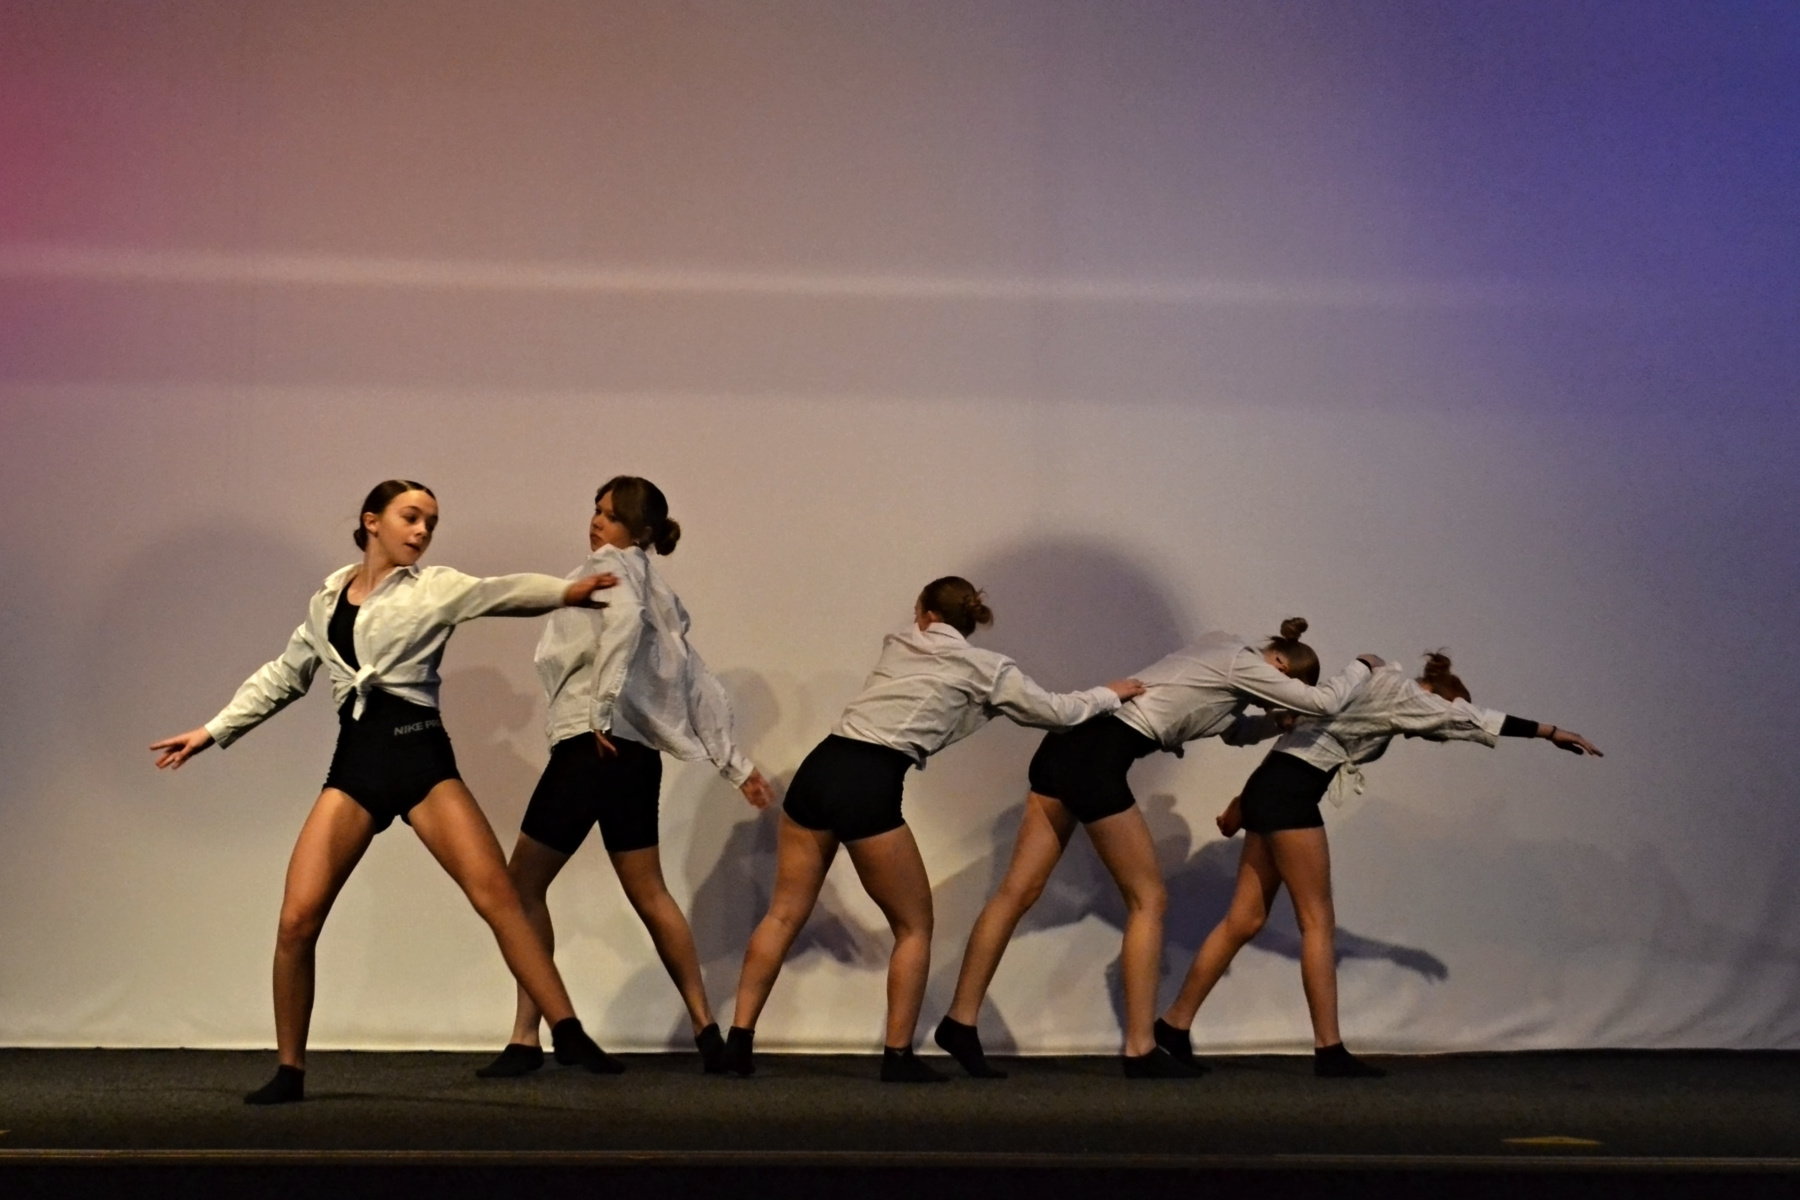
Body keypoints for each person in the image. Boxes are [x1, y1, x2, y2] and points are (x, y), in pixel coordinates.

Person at [150, 479, 624, 1104]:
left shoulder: (433, 588)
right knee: (296, 921)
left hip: (420, 757)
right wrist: (212, 731)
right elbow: (284, 675)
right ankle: (289, 1070)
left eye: (430, 522)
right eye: (411, 517)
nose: (422, 531)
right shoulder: (327, 600)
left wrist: (565, 592)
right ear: (372, 521)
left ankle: (566, 1030)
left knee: (498, 897)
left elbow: (498, 592)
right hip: (358, 765)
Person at [723, 577, 1143, 1082]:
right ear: (970, 621)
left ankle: (737, 1043)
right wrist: (1110, 694)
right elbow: (1058, 713)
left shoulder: (900, 641)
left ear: (922, 611)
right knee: (914, 926)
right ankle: (898, 1057)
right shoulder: (985, 668)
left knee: (783, 914)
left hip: (821, 767)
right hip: (870, 780)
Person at [938, 619, 1380, 1079]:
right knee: (1149, 901)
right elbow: (1323, 702)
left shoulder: (1223, 653)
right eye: (1284, 692)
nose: (1278, 701)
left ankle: (959, 1021)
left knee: (1017, 891)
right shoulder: (1242, 664)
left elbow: (1236, 732)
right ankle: (1140, 1048)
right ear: (1281, 666)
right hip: (1098, 758)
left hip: (1068, 745)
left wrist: (1275, 720)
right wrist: (1363, 666)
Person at [1157, 651, 1603, 1078]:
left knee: (1244, 920)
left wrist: (1245, 802)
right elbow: (1467, 719)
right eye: (1431, 724)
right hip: (1290, 796)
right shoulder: (1404, 694)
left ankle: (1174, 1025)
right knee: (1317, 923)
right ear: (1436, 696)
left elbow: (1300, 736)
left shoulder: (1372, 687)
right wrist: (1549, 732)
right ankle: (1329, 1050)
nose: (1428, 732)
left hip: (1269, 788)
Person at [476, 477, 776, 1080]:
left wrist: (601, 707)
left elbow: (623, 624)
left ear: (637, 531)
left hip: (592, 745)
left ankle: (529, 1035)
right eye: (596, 510)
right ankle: (706, 1030)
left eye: (610, 515)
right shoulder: (663, 594)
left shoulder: (608, 569)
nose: (596, 522)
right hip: (636, 757)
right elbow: (694, 680)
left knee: (518, 889)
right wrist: (734, 764)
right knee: (650, 892)